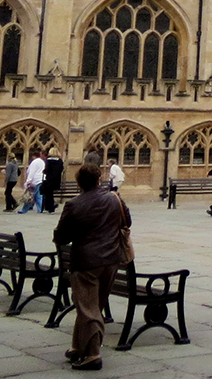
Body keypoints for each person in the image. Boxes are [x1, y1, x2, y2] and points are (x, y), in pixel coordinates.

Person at [53, 163, 130, 372]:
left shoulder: (74, 205)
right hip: (111, 260)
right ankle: (79, 347)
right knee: (93, 306)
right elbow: (127, 221)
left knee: (88, 308)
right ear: (99, 180)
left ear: (79, 182)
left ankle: (93, 354)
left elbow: (61, 237)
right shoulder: (115, 199)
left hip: (86, 262)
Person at [19, 149, 45, 214]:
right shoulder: (42, 162)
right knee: (35, 196)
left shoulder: (34, 162)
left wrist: (28, 181)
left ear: (34, 156)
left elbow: (31, 172)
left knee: (31, 196)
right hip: (41, 180)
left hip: (35, 181)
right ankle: (26, 209)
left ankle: (37, 210)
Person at [42, 146, 64, 213]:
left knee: (48, 194)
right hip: (56, 180)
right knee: (50, 194)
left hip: (49, 179)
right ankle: (51, 206)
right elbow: (61, 169)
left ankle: (50, 207)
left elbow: (46, 170)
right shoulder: (60, 161)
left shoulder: (48, 161)